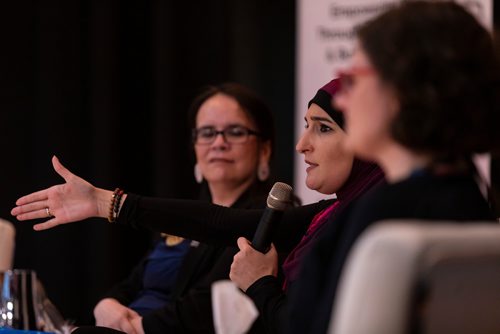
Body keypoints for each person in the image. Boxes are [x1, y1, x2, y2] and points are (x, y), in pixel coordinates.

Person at [11, 78, 384, 333]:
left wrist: (260, 285)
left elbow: (294, 321)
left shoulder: (367, 220)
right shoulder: (330, 212)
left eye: (323, 127)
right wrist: (104, 202)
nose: (302, 144)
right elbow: (222, 222)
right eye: (207, 133)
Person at [283, 2, 500, 333]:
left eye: (353, 79)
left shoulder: (377, 215)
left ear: (399, 91)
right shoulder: (470, 196)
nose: (341, 99)